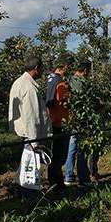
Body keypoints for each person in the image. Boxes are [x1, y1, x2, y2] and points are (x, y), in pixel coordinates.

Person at [8, 55, 51, 191]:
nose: (43, 72)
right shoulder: (29, 87)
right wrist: (35, 141)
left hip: (23, 129)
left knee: (26, 160)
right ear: (37, 68)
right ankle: (27, 190)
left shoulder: (19, 82)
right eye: (42, 69)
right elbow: (31, 115)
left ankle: (19, 184)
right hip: (29, 132)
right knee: (30, 163)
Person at [64, 59, 98, 186]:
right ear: (85, 70)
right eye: (88, 71)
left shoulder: (69, 80)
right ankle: (83, 178)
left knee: (72, 147)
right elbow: (86, 101)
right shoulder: (82, 83)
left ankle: (68, 176)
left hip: (72, 119)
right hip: (82, 120)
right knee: (82, 148)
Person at [46, 53, 73, 190]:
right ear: (64, 66)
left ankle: (55, 182)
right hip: (61, 122)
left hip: (53, 120)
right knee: (60, 155)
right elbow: (62, 102)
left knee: (55, 154)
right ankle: (56, 184)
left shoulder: (50, 79)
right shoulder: (60, 83)